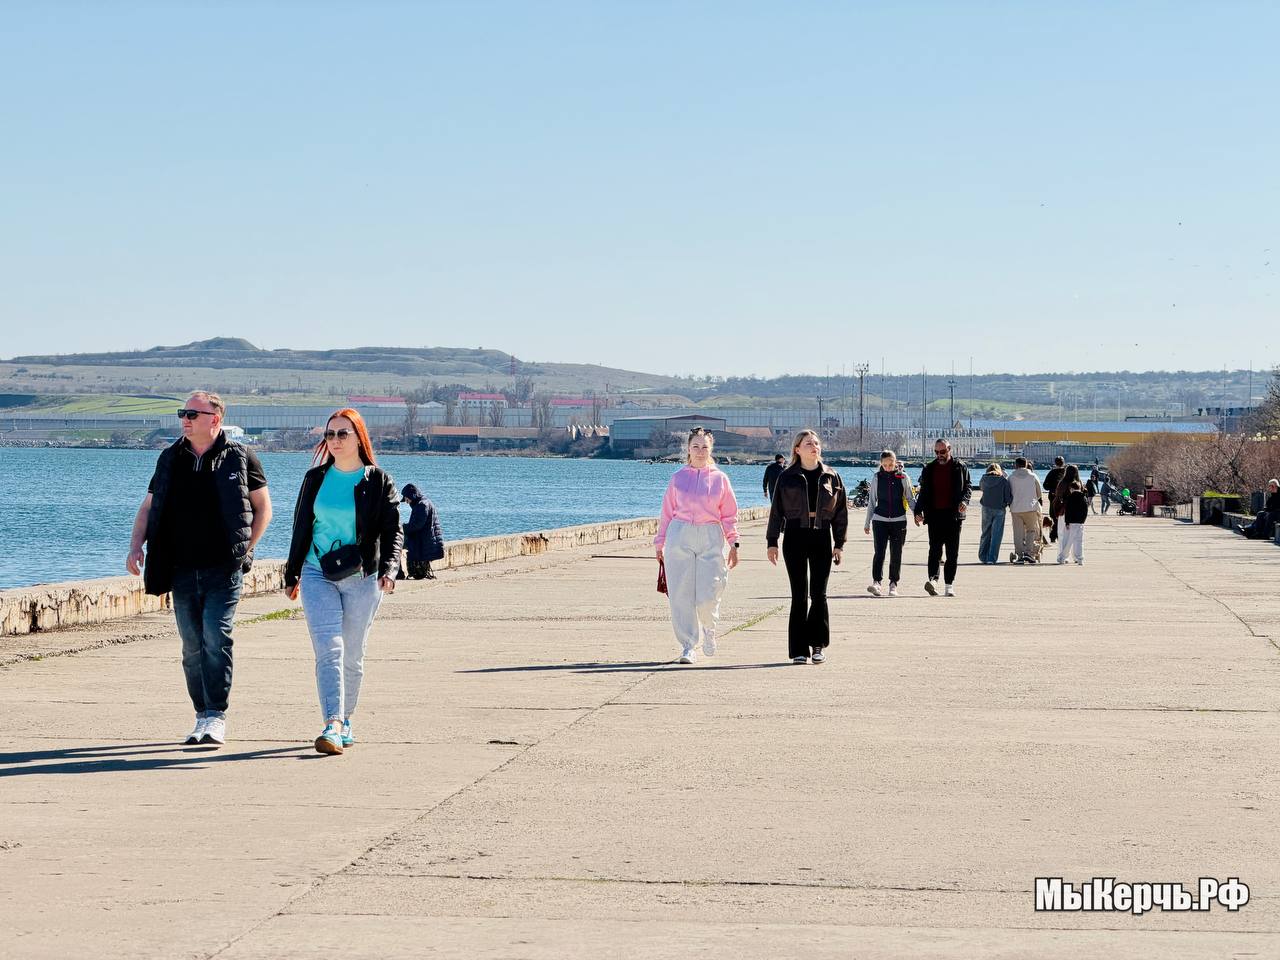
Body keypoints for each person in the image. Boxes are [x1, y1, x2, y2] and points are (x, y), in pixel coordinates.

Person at [126, 391, 272, 747]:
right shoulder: (170, 458)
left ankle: (216, 715)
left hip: (224, 569)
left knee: (215, 637)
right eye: (183, 413)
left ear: (215, 419)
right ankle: (201, 715)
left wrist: (245, 549)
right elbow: (148, 506)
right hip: (180, 568)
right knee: (192, 646)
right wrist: (135, 546)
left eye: (192, 414)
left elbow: (263, 509)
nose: (185, 419)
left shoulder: (241, 457)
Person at [283, 408, 402, 755]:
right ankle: (332, 723)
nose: (335, 440)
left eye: (342, 434)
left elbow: (393, 530)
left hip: (362, 576)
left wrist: (390, 569)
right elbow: (301, 526)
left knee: (352, 653)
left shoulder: (378, 480)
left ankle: (346, 718)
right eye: (330, 434)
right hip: (316, 571)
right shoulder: (315, 478)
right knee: (329, 648)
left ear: (359, 437)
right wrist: (292, 572)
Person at [654, 427, 740, 664]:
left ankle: (709, 629)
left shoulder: (720, 479)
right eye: (696, 446)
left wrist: (734, 542)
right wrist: (660, 542)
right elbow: (666, 512)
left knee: (708, 593)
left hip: (710, 534)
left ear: (711, 449)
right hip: (679, 534)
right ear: (688, 449)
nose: (700, 451)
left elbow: (729, 515)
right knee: (680, 594)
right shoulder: (678, 478)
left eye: (705, 447)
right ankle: (688, 645)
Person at [767, 429, 848, 663]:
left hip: (822, 536)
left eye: (816, 443)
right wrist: (772, 541)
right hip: (795, 536)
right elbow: (776, 511)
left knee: (819, 594)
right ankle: (799, 650)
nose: (814, 447)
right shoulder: (787, 476)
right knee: (799, 595)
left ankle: (818, 645)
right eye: (808, 444)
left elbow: (840, 513)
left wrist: (839, 543)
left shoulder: (831, 476)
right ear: (797, 449)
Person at [913, 438, 971, 596]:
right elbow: (923, 492)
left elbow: (967, 487)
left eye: (943, 451)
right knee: (934, 550)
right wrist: (917, 511)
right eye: (937, 452)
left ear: (949, 449)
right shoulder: (929, 468)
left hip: (954, 516)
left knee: (952, 553)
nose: (940, 455)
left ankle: (949, 585)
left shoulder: (960, 467)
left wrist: (964, 501)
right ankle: (933, 580)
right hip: (934, 515)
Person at [862, 449, 916, 596]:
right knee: (879, 552)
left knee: (896, 553)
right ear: (881, 464)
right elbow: (872, 501)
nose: (888, 468)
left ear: (895, 462)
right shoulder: (877, 477)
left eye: (890, 465)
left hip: (899, 521)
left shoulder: (903, 477)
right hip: (879, 520)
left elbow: (910, 498)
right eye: (884, 465)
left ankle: (893, 584)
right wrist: (867, 522)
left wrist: (917, 514)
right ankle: (877, 582)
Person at [400, 483, 444, 579]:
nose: (406, 502)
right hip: (425, 538)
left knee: (393, 543)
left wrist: (400, 527)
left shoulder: (421, 505)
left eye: (406, 499)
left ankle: (398, 573)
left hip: (422, 540)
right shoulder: (424, 502)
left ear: (412, 496)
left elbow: (416, 526)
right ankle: (399, 573)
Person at [1007, 456, 1044, 564]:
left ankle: (1019, 554)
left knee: (1018, 533)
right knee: (1031, 531)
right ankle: (1029, 553)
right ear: (1026, 464)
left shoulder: (1011, 477)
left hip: (1016, 509)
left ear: (1016, 465)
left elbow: (1008, 493)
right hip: (1031, 508)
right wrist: (1033, 501)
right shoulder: (1033, 476)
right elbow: (1039, 494)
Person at [977, 462, 1012, 564]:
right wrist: (1008, 502)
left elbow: (981, 488)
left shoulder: (983, 479)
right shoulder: (1003, 481)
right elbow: (1008, 497)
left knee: (985, 532)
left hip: (986, 507)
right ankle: (991, 558)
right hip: (999, 508)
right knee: (996, 534)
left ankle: (983, 556)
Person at [1057, 480, 1089, 564]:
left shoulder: (1070, 497)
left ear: (1071, 488)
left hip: (1071, 522)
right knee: (1079, 541)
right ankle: (1080, 559)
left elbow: (1068, 511)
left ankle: (1063, 557)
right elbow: (1085, 511)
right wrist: (1083, 521)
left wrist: (1067, 522)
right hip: (1080, 522)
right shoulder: (1084, 497)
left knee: (1067, 541)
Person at [1050, 464, 1082, 537]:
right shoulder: (1078, 483)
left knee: (1063, 533)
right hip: (1077, 511)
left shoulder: (1062, 483)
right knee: (1076, 535)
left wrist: (1056, 512)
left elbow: (1058, 498)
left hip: (1064, 510)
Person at [1043, 457, 1066, 542]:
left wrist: (1052, 489)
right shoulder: (1066, 472)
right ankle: (1059, 535)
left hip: (1053, 497)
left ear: (1055, 463)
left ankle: (1053, 535)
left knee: (1054, 516)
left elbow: (1045, 485)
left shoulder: (1052, 472)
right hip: (1064, 497)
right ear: (1063, 463)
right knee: (1062, 517)